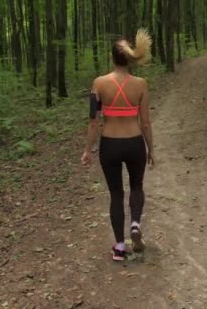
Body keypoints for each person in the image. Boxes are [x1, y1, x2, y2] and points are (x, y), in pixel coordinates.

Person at [81, 29, 155, 261]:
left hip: (110, 145)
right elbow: (146, 122)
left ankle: (120, 247)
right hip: (134, 143)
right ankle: (135, 224)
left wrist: (87, 150)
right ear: (130, 59)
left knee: (115, 194)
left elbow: (94, 121)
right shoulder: (141, 84)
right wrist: (151, 149)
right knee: (136, 186)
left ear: (112, 58)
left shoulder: (99, 83)